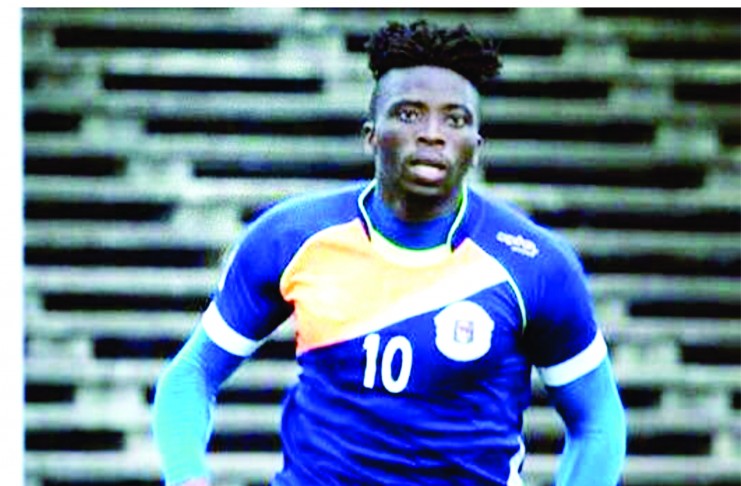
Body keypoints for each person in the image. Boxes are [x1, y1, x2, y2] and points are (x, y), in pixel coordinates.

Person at [152, 20, 626, 486]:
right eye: (409, 114)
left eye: (455, 119)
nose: (433, 133)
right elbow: (192, 373)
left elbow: (598, 420)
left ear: (476, 147)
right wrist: (187, 477)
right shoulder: (291, 237)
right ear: (371, 135)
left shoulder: (534, 264)